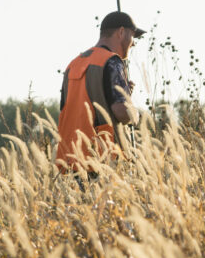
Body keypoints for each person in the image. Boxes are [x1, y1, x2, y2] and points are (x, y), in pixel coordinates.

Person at [56, 11, 144, 175]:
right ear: (121, 32)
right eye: (132, 36)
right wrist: (134, 112)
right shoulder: (113, 61)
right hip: (102, 158)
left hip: (71, 159)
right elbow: (123, 114)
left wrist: (123, 94)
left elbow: (76, 106)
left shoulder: (73, 65)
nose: (133, 43)